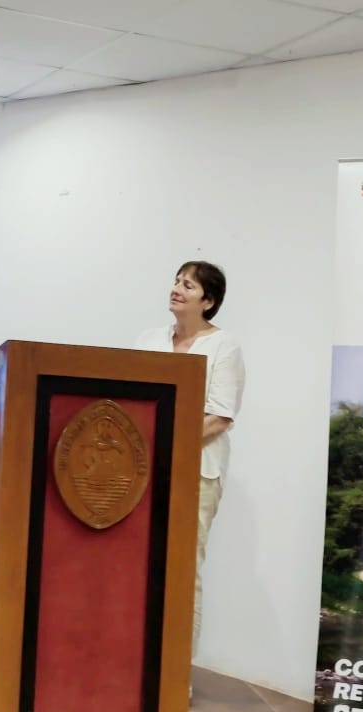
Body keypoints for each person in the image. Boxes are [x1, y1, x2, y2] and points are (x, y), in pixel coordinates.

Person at [134, 260, 244, 661]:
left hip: (196, 472)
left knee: (181, 568)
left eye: (189, 286)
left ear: (208, 301)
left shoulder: (223, 346)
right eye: (177, 281)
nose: (177, 289)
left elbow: (220, 416)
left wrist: (166, 445)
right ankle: (136, 663)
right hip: (144, 470)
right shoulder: (149, 340)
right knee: (137, 563)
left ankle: (177, 674)